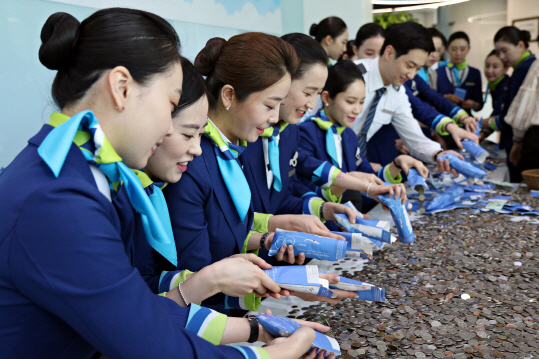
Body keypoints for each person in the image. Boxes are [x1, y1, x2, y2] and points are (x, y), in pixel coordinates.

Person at [0, 9, 326, 359]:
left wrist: (257, 328)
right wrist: (268, 355)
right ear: (122, 88)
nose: (168, 127)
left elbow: (136, 304)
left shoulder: (81, 173)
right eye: (171, 103)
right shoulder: (56, 198)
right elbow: (150, 344)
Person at [298, 60, 427, 213]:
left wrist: (397, 164)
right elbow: (307, 192)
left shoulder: (348, 135)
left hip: (350, 219)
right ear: (326, 98)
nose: (357, 110)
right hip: (319, 225)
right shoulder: (305, 134)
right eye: (350, 102)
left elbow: (369, 176)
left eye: (362, 102)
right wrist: (347, 179)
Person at [351, 22, 462, 172]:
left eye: (417, 69)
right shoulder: (351, 75)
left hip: (355, 170)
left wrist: (439, 154)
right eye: (409, 66)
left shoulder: (397, 93)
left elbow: (414, 138)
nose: (411, 75)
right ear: (389, 53)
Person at [482, 26, 536, 182]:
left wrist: (480, 123)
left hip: (522, 143)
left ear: (520, 45)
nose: (501, 56)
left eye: (504, 50)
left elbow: (513, 115)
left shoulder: (524, 69)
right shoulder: (524, 66)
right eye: (498, 51)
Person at [436, 31, 484, 114]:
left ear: (469, 49)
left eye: (463, 49)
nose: (458, 53)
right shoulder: (438, 72)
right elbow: (431, 99)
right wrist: (445, 98)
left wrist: (473, 104)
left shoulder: (474, 73)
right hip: (443, 119)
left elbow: (479, 105)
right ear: (447, 49)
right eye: (454, 49)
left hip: (466, 121)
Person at [483, 49, 509, 119]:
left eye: (495, 67)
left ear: (505, 69)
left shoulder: (506, 87)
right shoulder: (494, 85)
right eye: (487, 66)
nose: (489, 71)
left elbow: (498, 116)